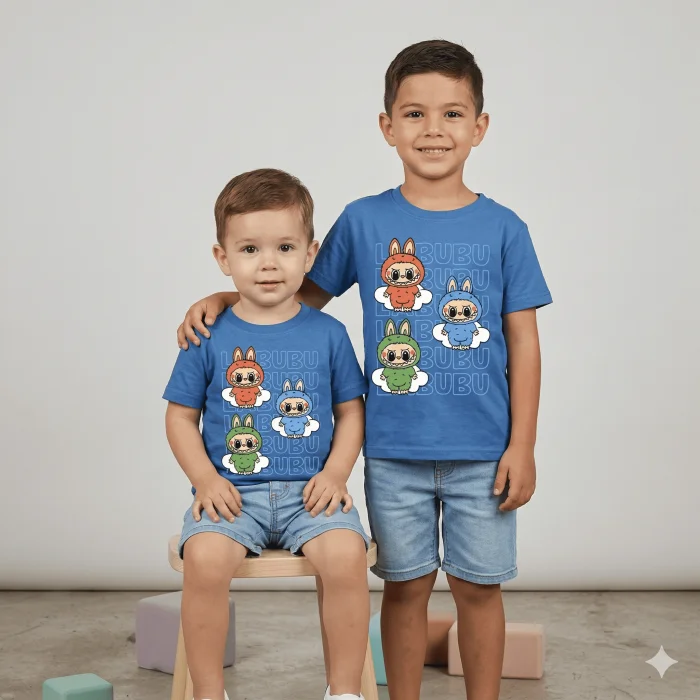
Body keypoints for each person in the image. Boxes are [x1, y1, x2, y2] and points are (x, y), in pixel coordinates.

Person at [176, 40, 552, 700]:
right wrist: (225, 299)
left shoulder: (505, 228)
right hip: (393, 451)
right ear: (387, 126)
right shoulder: (363, 220)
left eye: (452, 113)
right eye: (414, 113)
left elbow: (524, 343)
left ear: (480, 127)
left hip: (485, 451)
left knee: (478, 589)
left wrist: (523, 444)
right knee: (404, 587)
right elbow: (293, 300)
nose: (433, 129)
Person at [164, 168, 370, 700]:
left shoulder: (329, 333)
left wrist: (336, 473)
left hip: (311, 495)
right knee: (205, 560)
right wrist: (205, 480)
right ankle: (209, 692)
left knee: (347, 557)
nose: (269, 262)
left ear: (310, 253)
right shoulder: (207, 334)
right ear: (223, 258)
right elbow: (180, 417)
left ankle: (344, 691)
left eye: (285, 247)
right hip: (233, 496)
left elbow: (352, 411)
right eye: (250, 249)